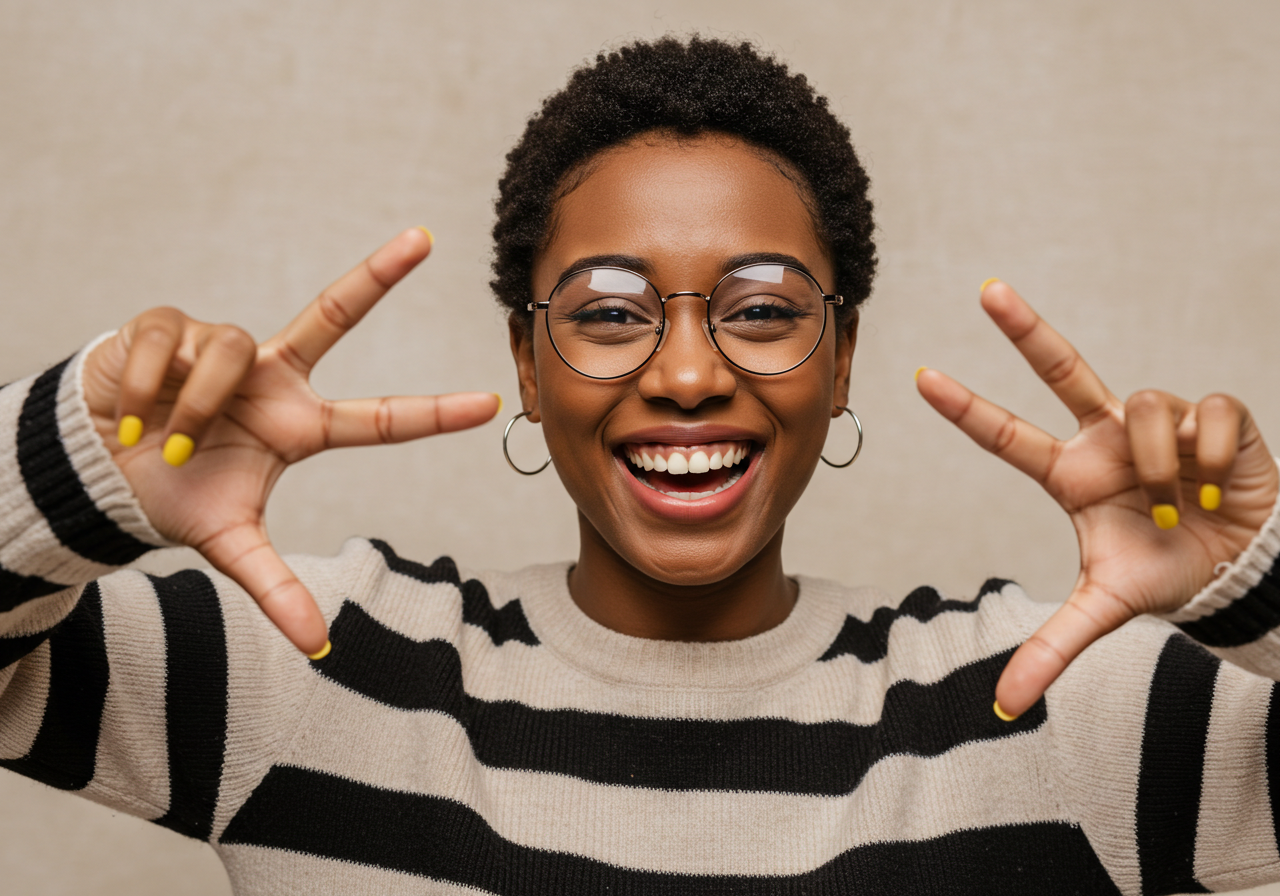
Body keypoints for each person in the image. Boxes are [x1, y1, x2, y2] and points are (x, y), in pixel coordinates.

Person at [2, 34, 1279, 895]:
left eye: (763, 307)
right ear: (526, 359)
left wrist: (1255, 586)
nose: (682, 373)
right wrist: (79, 468)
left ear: (839, 361)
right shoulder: (304, 666)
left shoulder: (1055, 711)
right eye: (609, 312)